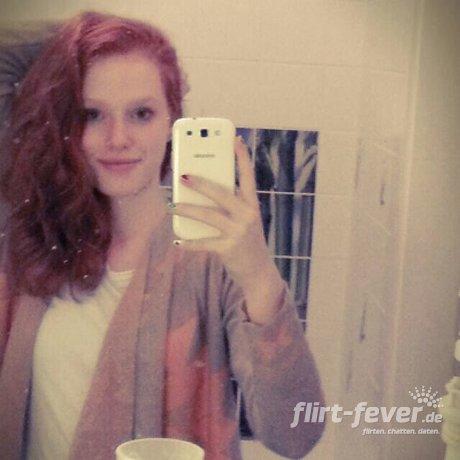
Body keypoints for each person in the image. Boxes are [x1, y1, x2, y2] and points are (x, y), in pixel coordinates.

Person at [0, 11, 325, 460]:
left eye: (141, 113)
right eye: (91, 114)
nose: (118, 138)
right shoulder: (33, 241)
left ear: (173, 119)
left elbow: (295, 433)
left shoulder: (211, 258)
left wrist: (258, 275)